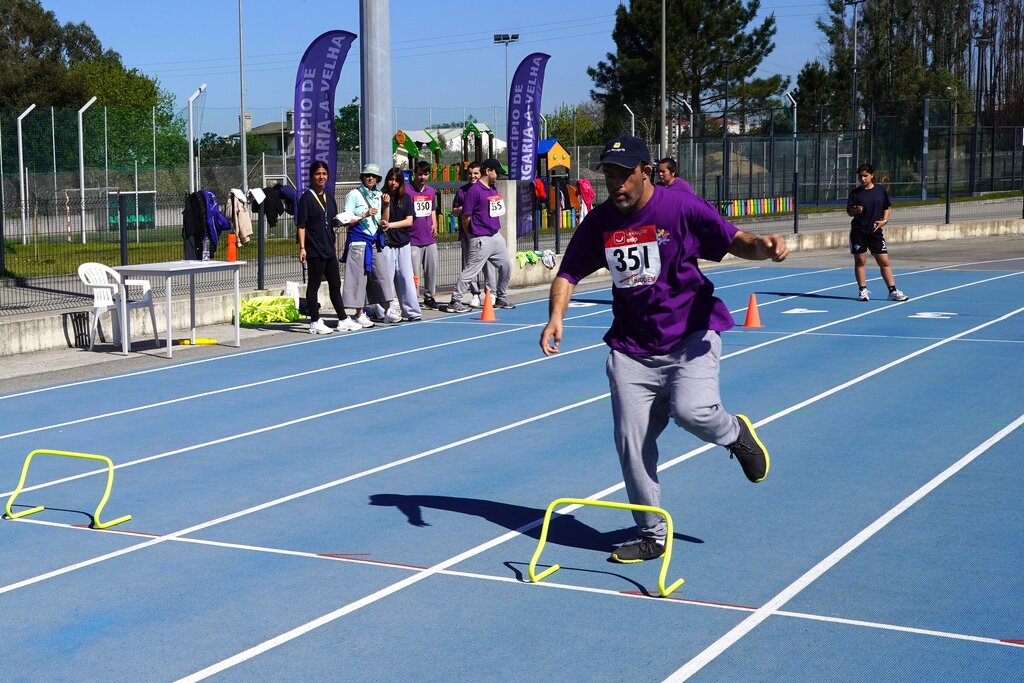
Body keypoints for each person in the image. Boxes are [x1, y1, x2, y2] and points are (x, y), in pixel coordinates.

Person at [539, 136, 789, 564]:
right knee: (631, 442)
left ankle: (735, 434)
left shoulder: (680, 207)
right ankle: (652, 534)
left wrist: (763, 248)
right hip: (632, 348)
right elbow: (568, 273)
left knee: (692, 411)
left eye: (623, 175)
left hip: (691, 335)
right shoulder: (600, 222)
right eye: (609, 175)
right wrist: (555, 316)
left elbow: (734, 239)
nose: (615, 184)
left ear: (645, 172)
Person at [447, 158, 515, 312]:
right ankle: (455, 300)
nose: (498, 176)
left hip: (495, 235)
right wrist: (470, 235)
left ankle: (501, 297)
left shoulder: (492, 188)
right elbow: (466, 216)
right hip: (480, 237)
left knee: (506, 265)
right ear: (488, 171)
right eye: (497, 172)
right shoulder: (474, 191)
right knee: (471, 270)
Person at [341, 163, 400, 327]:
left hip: (374, 241)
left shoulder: (379, 195)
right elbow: (347, 219)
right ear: (363, 177)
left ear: (377, 179)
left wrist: (386, 205)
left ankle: (388, 310)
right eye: (368, 175)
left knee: (382, 276)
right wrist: (365, 214)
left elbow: (383, 220)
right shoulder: (353, 194)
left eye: (374, 176)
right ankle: (359, 314)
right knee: (358, 278)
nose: (370, 178)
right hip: (358, 241)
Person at [296, 161, 349, 334]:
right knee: (314, 285)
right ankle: (315, 321)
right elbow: (301, 225)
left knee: (335, 283)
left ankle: (343, 319)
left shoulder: (329, 197)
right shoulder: (306, 198)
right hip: (314, 249)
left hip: (329, 248)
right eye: (318, 174)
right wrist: (302, 247)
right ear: (312, 176)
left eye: (324, 174)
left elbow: (332, 221)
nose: (321, 177)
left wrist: (347, 220)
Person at [846, 163, 908, 302]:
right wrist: (855, 211)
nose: (862, 179)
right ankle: (862, 291)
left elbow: (887, 207)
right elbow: (849, 212)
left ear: (872, 175)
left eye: (865, 176)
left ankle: (892, 291)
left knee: (884, 261)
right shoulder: (855, 193)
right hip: (859, 232)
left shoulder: (880, 191)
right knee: (860, 262)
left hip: (875, 232)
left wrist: (884, 221)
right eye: (860, 176)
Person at [380, 166, 423, 321]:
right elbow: (382, 221)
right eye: (391, 179)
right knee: (386, 279)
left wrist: (391, 225)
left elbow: (409, 221)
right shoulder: (381, 197)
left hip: (403, 243)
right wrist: (385, 205)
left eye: (396, 180)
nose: (393, 183)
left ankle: (411, 311)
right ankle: (386, 311)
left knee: (406, 278)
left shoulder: (406, 198)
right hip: (386, 244)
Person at [451, 161, 495, 308]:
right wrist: (464, 209)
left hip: (485, 234)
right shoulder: (462, 191)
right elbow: (454, 211)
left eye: (475, 173)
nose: (472, 176)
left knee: (488, 265)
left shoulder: (488, 189)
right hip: (468, 234)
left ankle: (490, 293)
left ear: (481, 174)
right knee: (471, 266)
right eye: (470, 173)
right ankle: (475, 294)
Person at [407, 160, 440, 309]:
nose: (423, 177)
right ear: (415, 174)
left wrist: (434, 223)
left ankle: (429, 297)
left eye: (426, 174)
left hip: (429, 238)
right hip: (413, 239)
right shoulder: (407, 191)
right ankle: (413, 298)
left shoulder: (431, 191)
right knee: (414, 273)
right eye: (420, 174)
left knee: (431, 270)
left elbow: (432, 209)